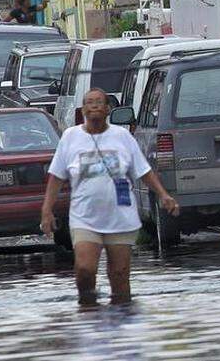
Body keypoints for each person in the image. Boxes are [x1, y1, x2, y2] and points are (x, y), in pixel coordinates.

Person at [40, 88, 179, 306]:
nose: (94, 105)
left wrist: (163, 195)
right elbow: (56, 176)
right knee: (85, 269)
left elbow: (143, 170)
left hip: (120, 217)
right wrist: (46, 211)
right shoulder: (71, 137)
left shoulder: (122, 137)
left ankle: (121, 319)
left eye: (98, 102)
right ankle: (88, 309)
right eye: (89, 102)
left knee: (120, 274)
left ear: (107, 109)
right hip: (84, 217)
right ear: (83, 109)